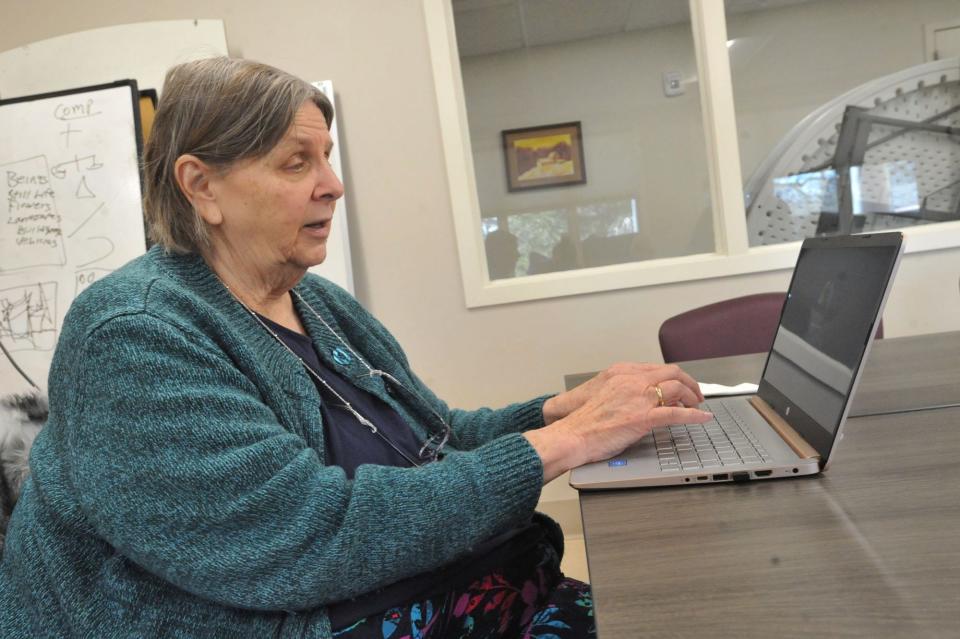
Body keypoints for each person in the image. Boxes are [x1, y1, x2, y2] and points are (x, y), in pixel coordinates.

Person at [0, 57, 711, 638]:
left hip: (462, 593)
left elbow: (440, 439)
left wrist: (561, 411)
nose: (333, 185)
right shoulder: (132, 335)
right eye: (295, 163)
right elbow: (308, 536)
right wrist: (564, 445)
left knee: (686, 602)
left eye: (328, 158)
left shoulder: (316, 301)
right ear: (201, 185)